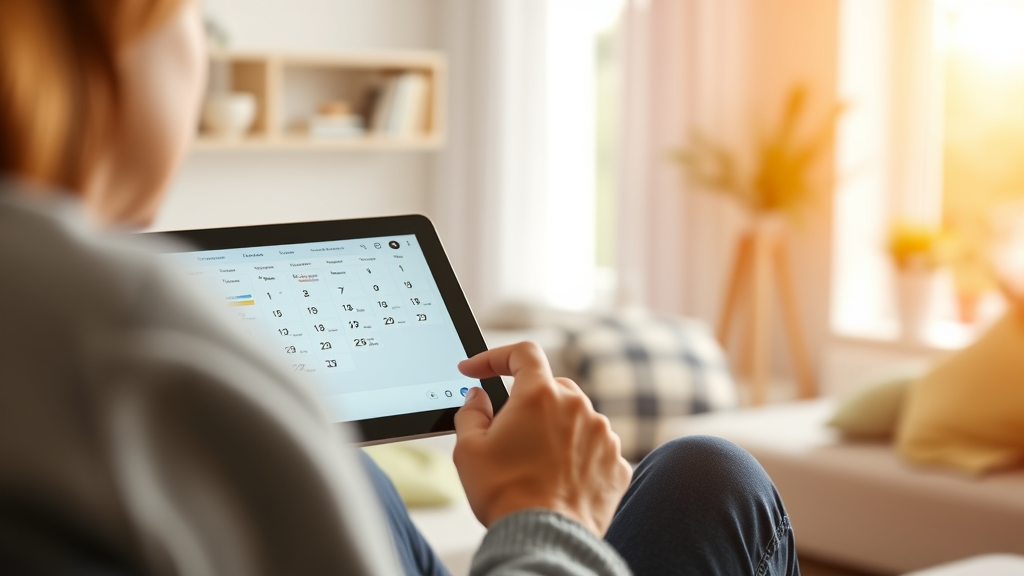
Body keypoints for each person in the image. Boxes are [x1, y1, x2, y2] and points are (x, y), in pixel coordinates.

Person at [0, 1, 800, 575]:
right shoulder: (128, 343)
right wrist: (543, 516)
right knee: (723, 487)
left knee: (704, 471)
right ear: (108, 44)